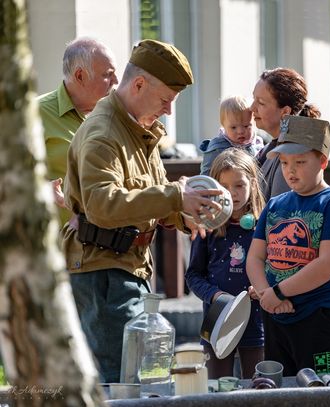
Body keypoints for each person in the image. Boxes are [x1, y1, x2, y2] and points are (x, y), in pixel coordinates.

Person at [62, 39, 224, 383]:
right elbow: (103, 205)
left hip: (126, 268)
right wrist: (175, 197)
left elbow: (147, 195)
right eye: (166, 100)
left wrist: (184, 214)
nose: (168, 111)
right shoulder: (104, 133)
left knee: (135, 379)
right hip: (102, 274)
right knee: (118, 382)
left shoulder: (137, 129)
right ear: (138, 85)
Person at [246, 115, 330, 377]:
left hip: (320, 318)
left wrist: (280, 291)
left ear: (322, 160)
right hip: (276, 316)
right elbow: (254, 257)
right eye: (284, 163)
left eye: (300, 162)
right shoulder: (275, 204)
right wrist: (267, 295)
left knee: (326, 390)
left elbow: (328, 264)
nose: (290, 170)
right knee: (282, 390)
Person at [185, 148, 266, 379]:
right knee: (217, 388)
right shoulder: (207, 225)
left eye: (239, 185)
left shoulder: (265, 226)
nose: (232, 193)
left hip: (256, 324)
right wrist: (215, 295)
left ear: (252, 183)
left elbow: (275, 269)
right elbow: (193, 275)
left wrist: (263, 287)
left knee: (258, 387)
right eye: (225, 187)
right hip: (217, 323)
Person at [38, 37, 118, 225]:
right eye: (108, 74)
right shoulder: (33, 115)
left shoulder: (113, 117)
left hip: (105, 250)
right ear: (80, 76)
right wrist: (40, 190)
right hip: (56, 248)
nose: (116, 81)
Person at [250, 67, 321, 201]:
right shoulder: (272, 147)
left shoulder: (293, 155)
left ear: (285, 112)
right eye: (254, 99)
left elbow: (280, 216)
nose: (252, 108)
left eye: (260, 103)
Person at [199, 95, 264, 175]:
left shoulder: (257, 144)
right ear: (223, 126)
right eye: (233, 127)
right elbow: (206, 174)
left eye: (246, 126)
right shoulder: (217, 148)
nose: (240, 131)